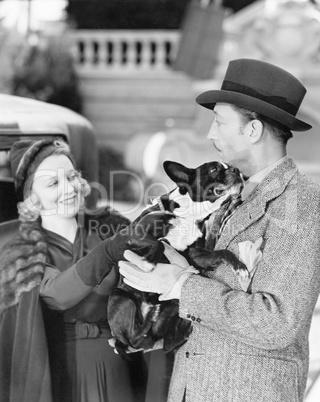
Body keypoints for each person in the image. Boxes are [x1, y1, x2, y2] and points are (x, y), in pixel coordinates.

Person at [118, 58, 320, 402]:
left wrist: (181, 284)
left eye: (219, 122)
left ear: (252, 130)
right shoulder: (223, 195)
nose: (211, 134)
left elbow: (276, 322)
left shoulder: (302, 203)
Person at [0, 139, 147, 402]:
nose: (70, 188)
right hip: (56, 375)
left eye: (72, 177)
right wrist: (109, 250)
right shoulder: (20, 252)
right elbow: (57, 295)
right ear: (32, 198)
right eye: (54, 183)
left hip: (115, 365)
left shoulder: (110, 228)